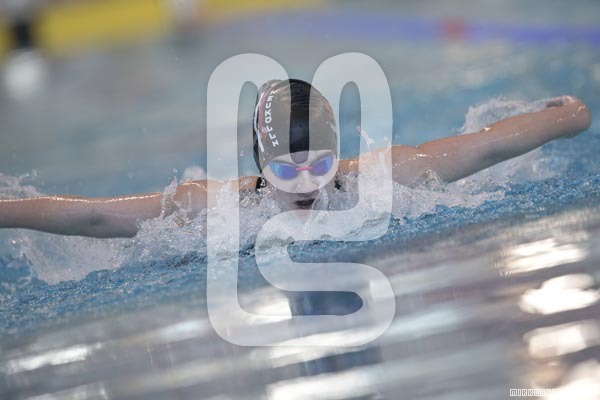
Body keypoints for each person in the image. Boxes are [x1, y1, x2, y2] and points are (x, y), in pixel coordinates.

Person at [0, 79, 592, 238]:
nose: (307, 183)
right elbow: (97, 214)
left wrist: (571, 117)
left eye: (320, 164)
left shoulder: (381, 178)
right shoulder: (217, 209)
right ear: (260, 166)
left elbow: (485, 144)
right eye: (287, 169)